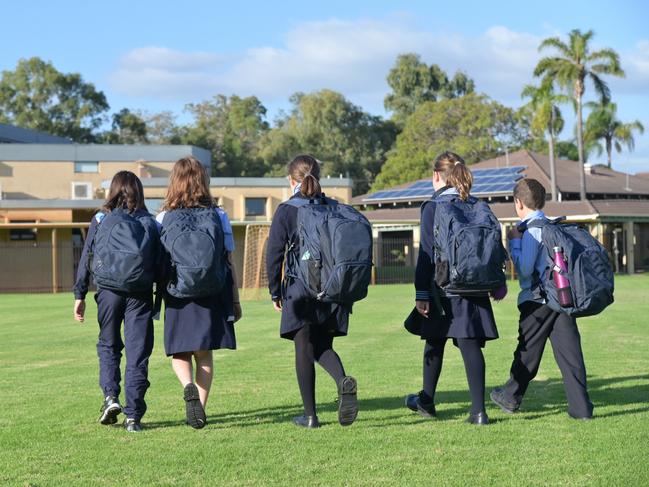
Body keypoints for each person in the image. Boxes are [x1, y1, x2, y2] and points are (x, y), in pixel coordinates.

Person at [405, 151, 500, 425]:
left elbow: (425, 254)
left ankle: (427, 399)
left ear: (436, 176)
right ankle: (479, 412)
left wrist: (421, 294)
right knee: (470, 346)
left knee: (434, 341)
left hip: (443, 287)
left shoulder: (432, 207)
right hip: (475, 287)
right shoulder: (478, 204)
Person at [266, 154, 358, 429]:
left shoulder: (286, 210)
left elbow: (274, 254)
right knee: (323, 346)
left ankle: (310, 416)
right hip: (331, 291)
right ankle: (343, 381)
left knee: (304, 349)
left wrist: (275, 291)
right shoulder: (334, 207)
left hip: (300, 289)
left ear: (291, 180)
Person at [490, 178, 594, 419]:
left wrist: (514, 242)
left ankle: (510, 396)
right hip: (562, 297)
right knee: (571, 355)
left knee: (527, 352)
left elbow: (526, 269)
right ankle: (581, 408)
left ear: (518, 202)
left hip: (537, 300)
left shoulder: (531, 230)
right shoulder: (553, 225)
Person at [156, 156, 242, 429]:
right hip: (213, 290)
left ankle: (187, 385)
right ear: (203, 182)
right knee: (204, 354)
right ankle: (200, 408)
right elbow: (228, 260)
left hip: (177, 291)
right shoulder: (219, 215)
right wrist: (236, 299)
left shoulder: (163, 218)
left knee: (180, 352)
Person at [73, 171, 159, 433]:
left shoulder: (101, 218)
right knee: (138, 353)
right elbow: (160, 261)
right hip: (140, 293)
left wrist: (80, 295)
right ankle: (133, 417)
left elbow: (87, 257)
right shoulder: (150, 222)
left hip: (108, 291)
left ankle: (111, 398)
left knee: (109, 345)